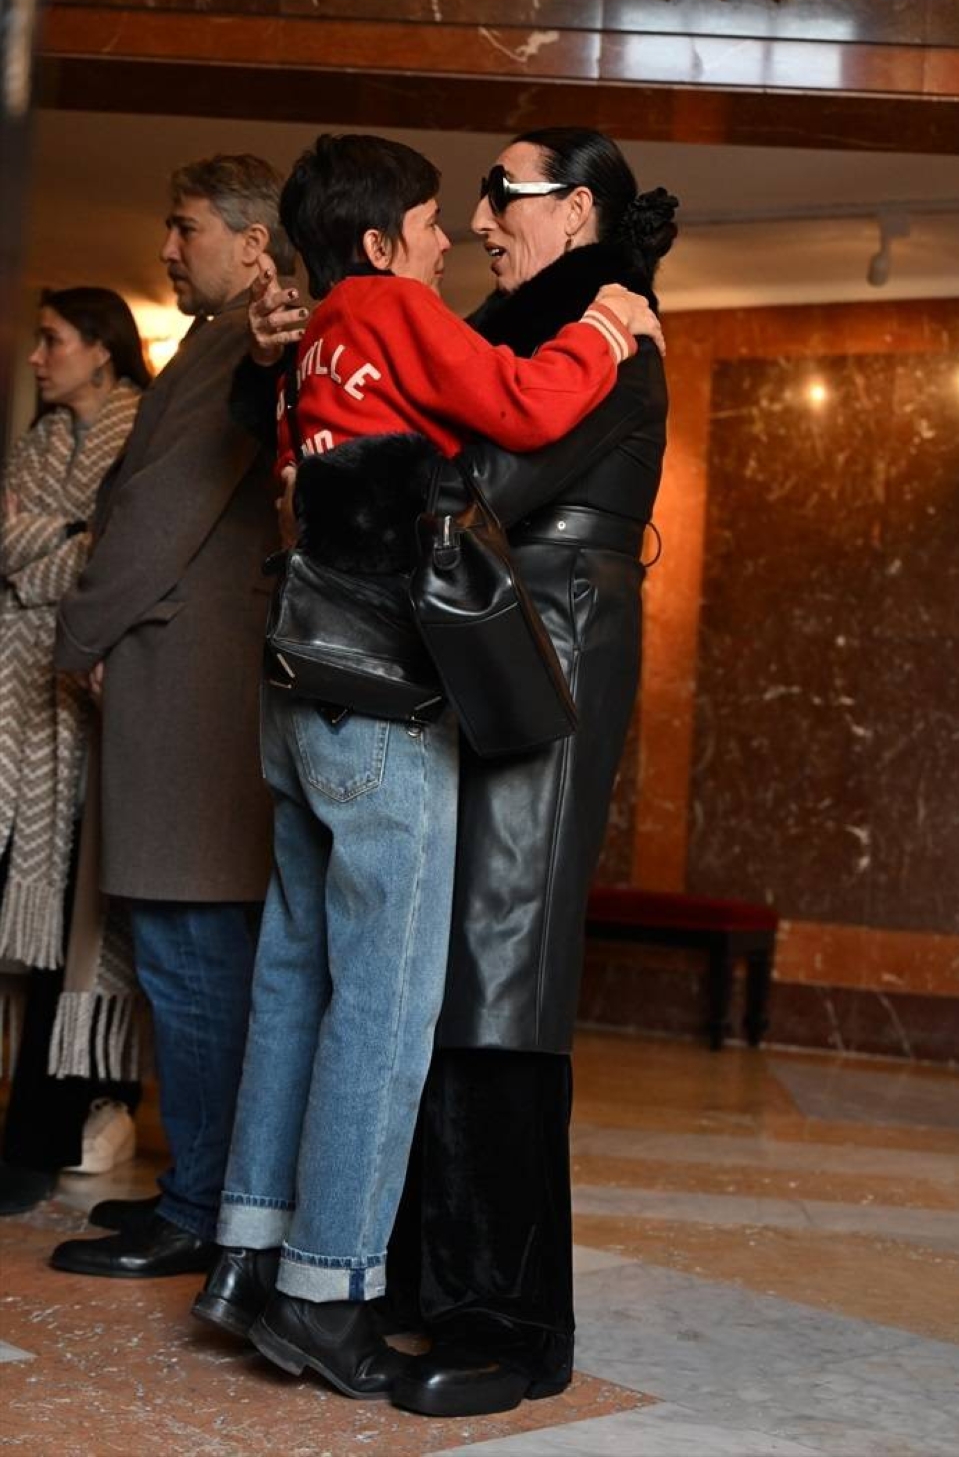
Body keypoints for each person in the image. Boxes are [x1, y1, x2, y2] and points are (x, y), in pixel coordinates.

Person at [190, 133, 663, 1400]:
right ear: (381, 239)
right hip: (385, 696)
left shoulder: (318, 339)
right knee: (387, 1009)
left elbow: (355, 469)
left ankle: (244, 1251)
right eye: (438, 214)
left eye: (492, 201)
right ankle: (326, 1284)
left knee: (294, 980)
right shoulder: (395, 308)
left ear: (574, 210)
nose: (458, 232)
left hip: (296, 688)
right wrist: (609, 333)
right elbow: (512, 419)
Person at [384, 128, 678, 1417]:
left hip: (549, 650)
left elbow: (488, 475)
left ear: (581, 212)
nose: (486, 217)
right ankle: (438, 1284)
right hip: (503, 641)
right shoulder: (534, 334)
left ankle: (516, 1324)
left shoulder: (611, 334)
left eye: (506, 194)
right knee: (456, 968)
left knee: (506, 968)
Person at [47, 154, 295, 1279]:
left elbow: (156, 513)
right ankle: (192, 1186)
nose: (164, 247)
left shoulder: (249, 336)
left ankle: (204, 1207)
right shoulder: (213, 340)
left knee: (199, 962)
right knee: (184, 959)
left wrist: (79, 633)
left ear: (252, 245)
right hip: (182, 682)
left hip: (194, 689)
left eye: (182, 226)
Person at [0, 287, 150, 1216]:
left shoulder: (141, 437)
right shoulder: (38, 443)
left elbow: (113, 558)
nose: (34, 356)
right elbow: (41, 544)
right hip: (19, 713)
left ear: (101, 350)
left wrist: (38, 544)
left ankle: (56, 1123)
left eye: (51, 340)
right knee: (25, 915)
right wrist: (66, 539)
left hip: (98, 705)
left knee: (80, 925)